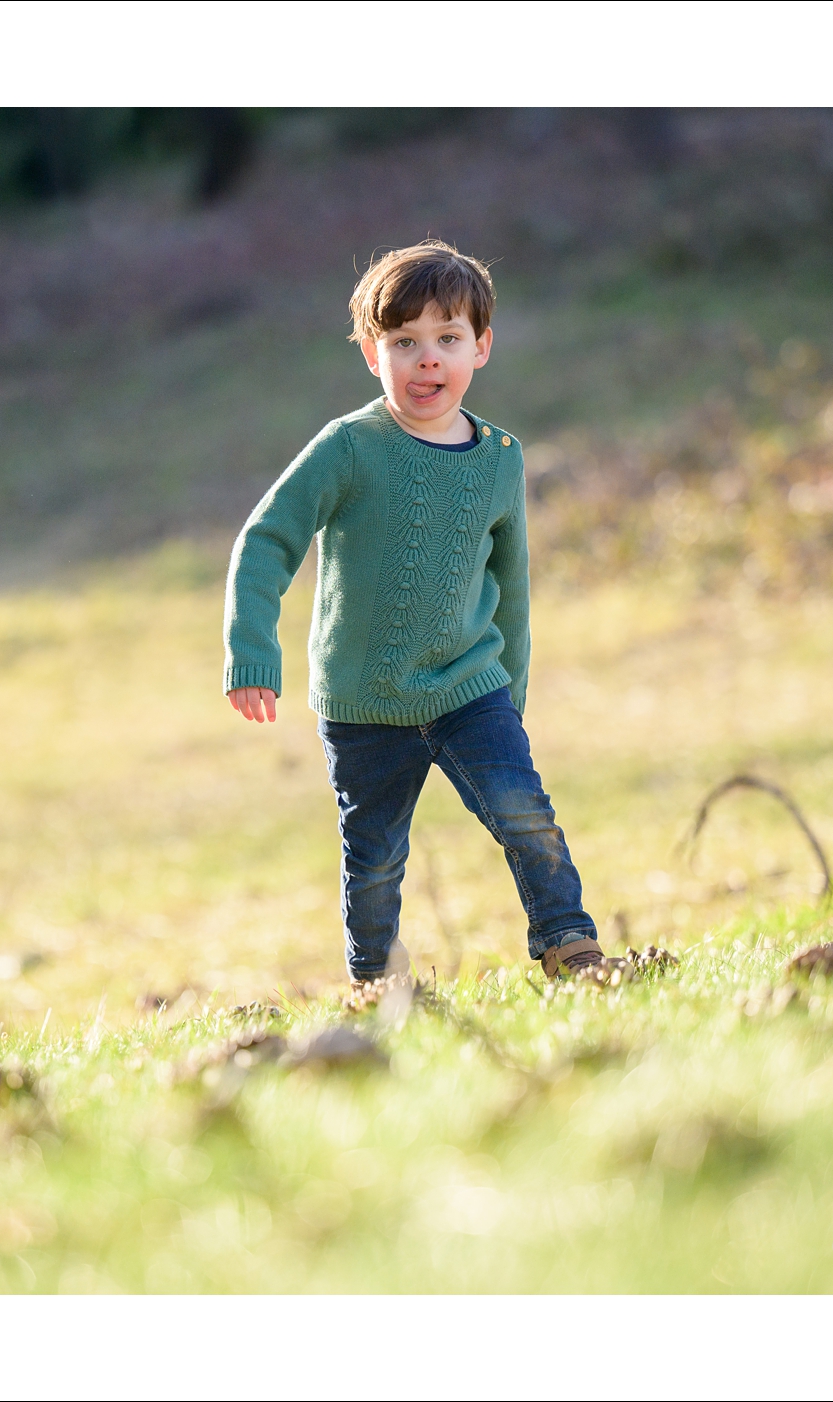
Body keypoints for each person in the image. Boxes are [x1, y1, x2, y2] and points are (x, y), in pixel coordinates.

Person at [222, 239, 604, 984]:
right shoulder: (349, 448)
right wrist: (250, 652)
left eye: (448, 339)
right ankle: (376, 984)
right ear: (372, 353)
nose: (428, 359)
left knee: (527, 815)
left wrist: (512, 697)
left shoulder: (500, 458)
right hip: (363, 701)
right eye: (405, 342)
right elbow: (267, 539)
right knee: (374, 856)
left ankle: (571, 946)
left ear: (481, 347)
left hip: (470, 690)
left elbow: (513, 585)